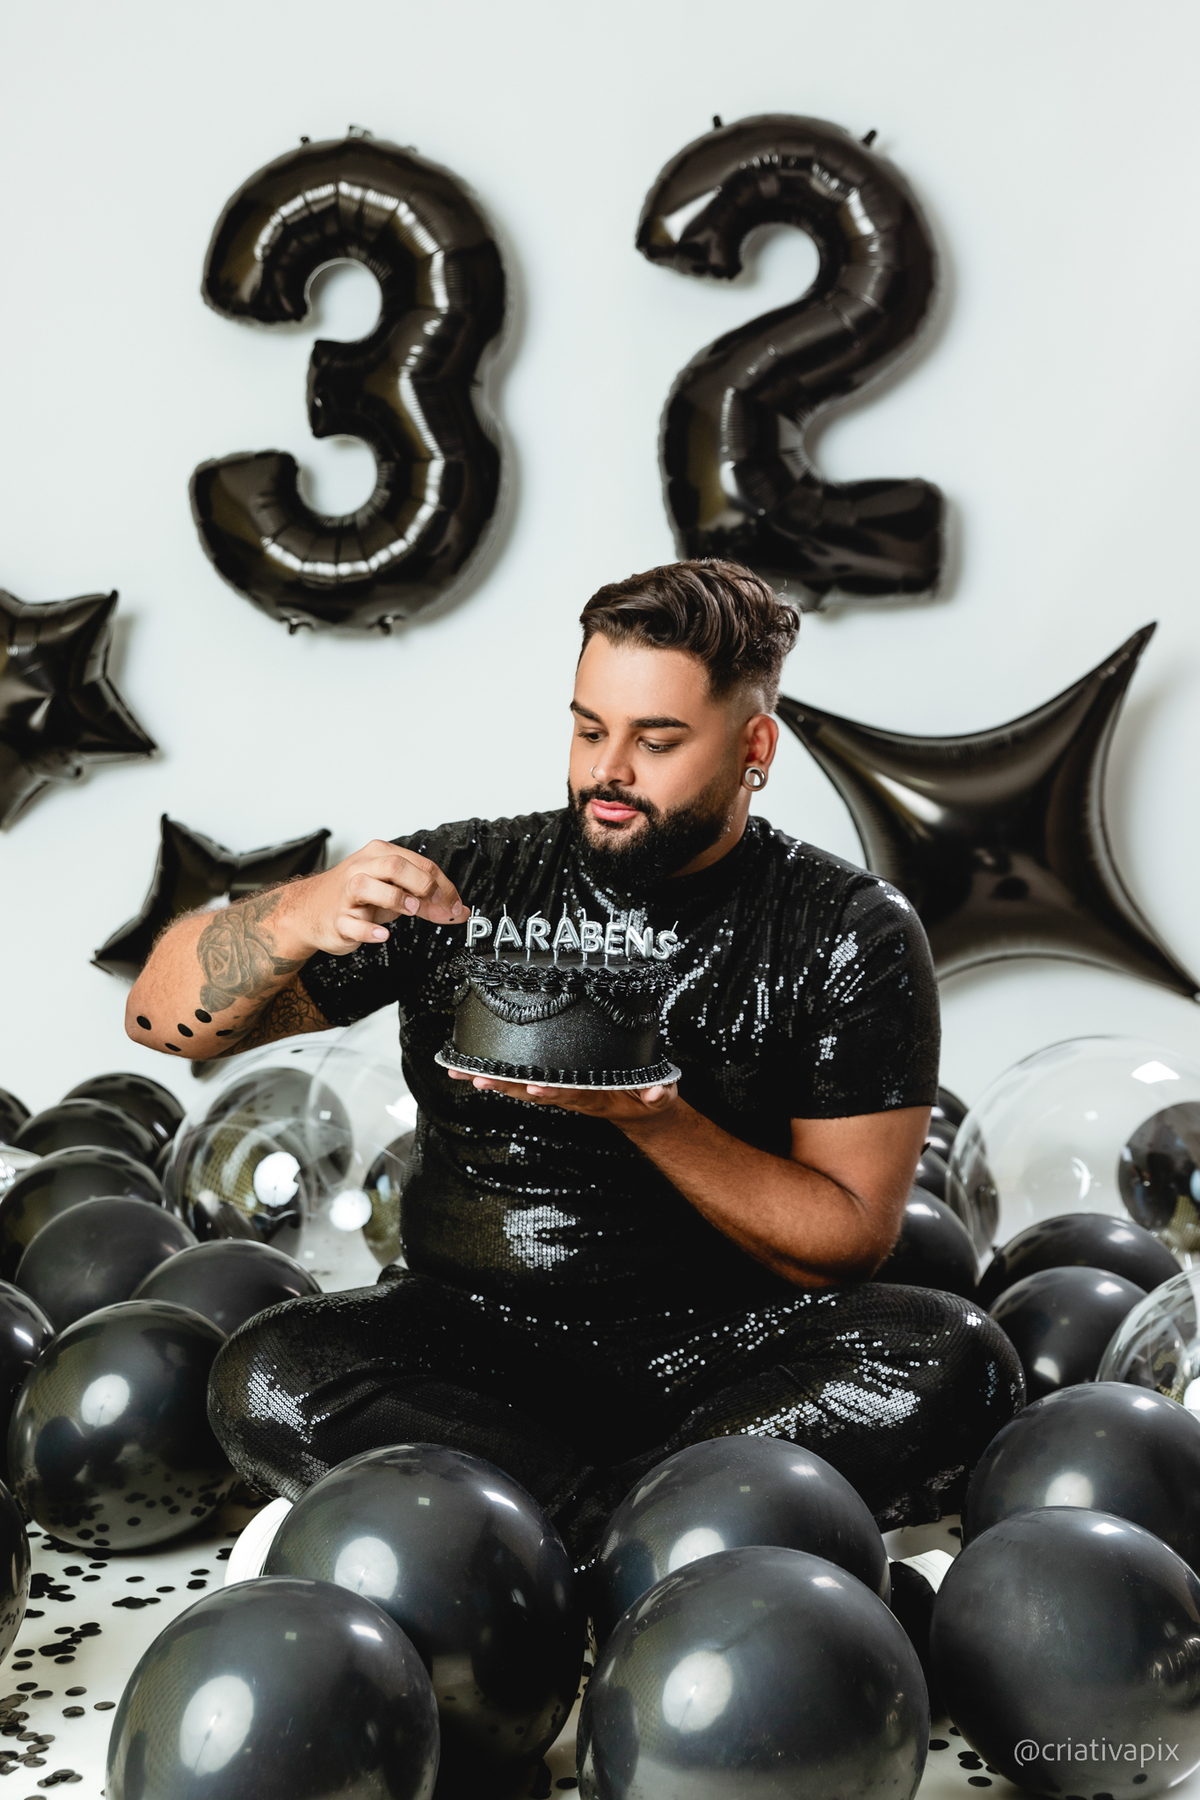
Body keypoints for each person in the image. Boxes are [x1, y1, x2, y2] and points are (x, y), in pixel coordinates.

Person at [128, 557, 1022, 1573]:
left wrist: (654, 1120)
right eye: (590, 730)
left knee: (958, 1358)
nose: (609, 772)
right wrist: (296, 912)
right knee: (264, 1374)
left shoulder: (845, 929)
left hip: (726, 1356)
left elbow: (849, 1239)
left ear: (754, 747)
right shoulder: (458, 882)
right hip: (471, 1349)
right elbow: (164, 1021)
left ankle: (530, 1533)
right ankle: (647, 1534)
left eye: (657, 742)